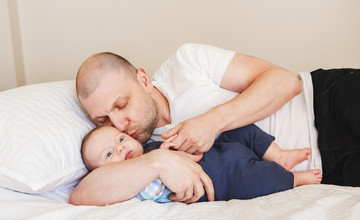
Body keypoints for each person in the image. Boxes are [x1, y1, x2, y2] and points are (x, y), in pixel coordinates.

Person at [70, 43, 360, 206]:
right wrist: (156, 163)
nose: (119, 124)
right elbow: (81, 196)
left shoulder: (185, 63)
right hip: (327, 168)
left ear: (143, 80)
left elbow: (286, 82)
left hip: (323, 102)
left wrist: (213, 121)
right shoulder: (133, 151)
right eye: (103, 120)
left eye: (121, 105)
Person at [81, 124, 321, 203]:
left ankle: (280, 155)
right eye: (109, 155)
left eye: (120, 139)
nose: (120, 147)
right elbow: (156, 189)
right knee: (261, 180)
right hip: (226, 178)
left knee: (241, 128)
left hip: (222, 148)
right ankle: (296, 179)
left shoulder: (153, 145)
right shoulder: (135, 187)